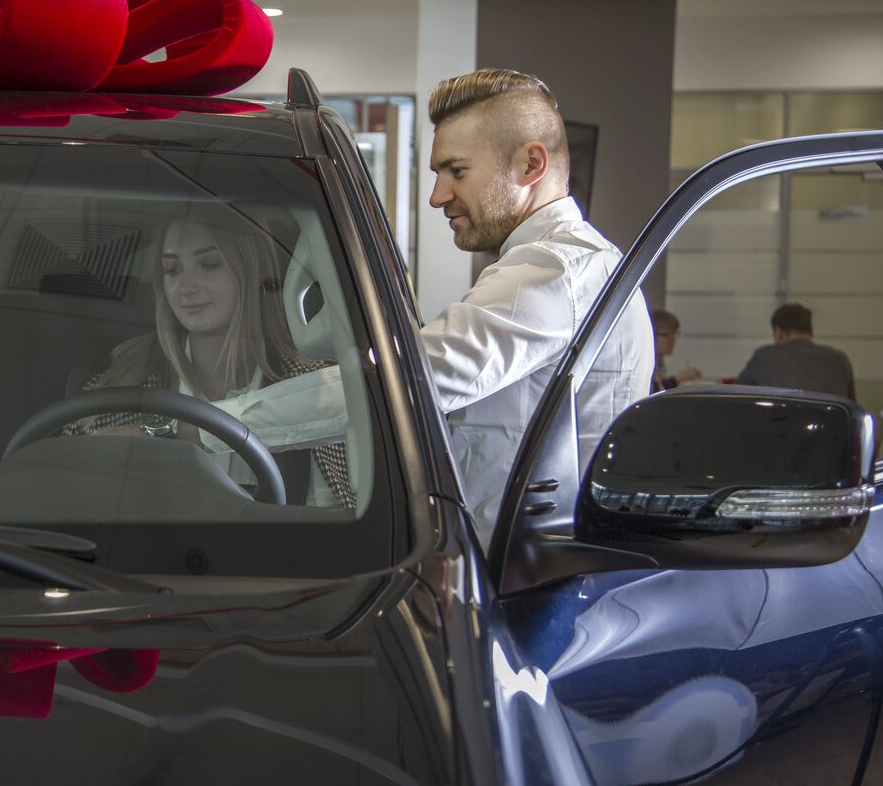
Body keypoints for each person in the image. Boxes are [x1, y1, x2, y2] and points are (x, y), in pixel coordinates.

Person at [208, 68, 654, 545]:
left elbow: (403, 385)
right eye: (438, 173)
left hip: (537, 573)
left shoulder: (554, 271)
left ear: (530, 165)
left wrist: (210, 426)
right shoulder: (560, 267)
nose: (438, 196)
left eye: (457, 171)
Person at [62, 216, 354, 508]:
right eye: (172, 270)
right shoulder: (108, 399)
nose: (185, 287)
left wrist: (178, 430)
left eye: (209, 264)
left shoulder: (321, 389)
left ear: (253, 271)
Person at [736, 302, 855, 399]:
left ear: (778, 332)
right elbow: (852, 409)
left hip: (780, 421)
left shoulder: (764, 356)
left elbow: (737, 394)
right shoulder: (840, 359)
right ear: (810, 331)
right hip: (829, 422)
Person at [650, 309, 702, 392]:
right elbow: (655, 391)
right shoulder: (646, 361)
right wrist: (677, 378)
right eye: (666, 334)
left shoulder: (659, 360)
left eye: (674, 334)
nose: (673, 339)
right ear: (651, 335)